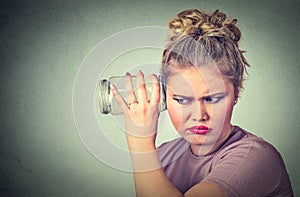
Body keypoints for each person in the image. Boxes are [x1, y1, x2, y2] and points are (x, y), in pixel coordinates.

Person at [110, 8, 293, 196]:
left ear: (236, 93)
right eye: (182, 100)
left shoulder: (256, 157)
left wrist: (140, 143)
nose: (199, 115)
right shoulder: (163, 156)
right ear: (165, 97)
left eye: (212, 99)